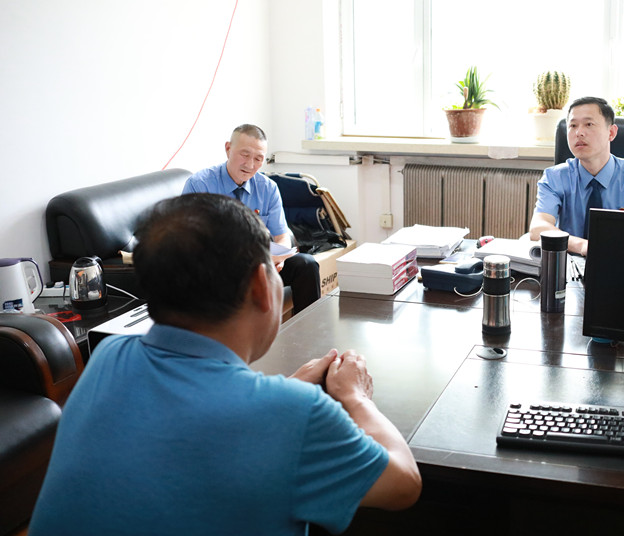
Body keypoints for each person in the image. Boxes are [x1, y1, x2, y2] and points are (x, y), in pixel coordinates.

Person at [28, 194, 422, 536]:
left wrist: (290, 388)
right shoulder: (294, 414)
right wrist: (355, 397)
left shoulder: (109, 356)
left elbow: (189, 430)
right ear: (259, 286)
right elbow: (403, 484)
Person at [183, 124, 320, 312]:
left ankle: (307, 329)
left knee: (306, 265)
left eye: (258, 158)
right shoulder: (200, 185)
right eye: (245, 155)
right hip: (218, 268)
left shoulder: (268, 188)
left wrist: (278, 259)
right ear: (228, 149)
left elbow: (281, 235)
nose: (250, 165)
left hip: (260, 264)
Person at [529, 96, 624, 256]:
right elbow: (538, 228)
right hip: (569, 263)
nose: (579, 132)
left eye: (589, 124)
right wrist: (583, 246)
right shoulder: (555, 177)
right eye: (573, 125)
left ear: (611, 133)